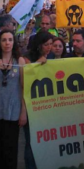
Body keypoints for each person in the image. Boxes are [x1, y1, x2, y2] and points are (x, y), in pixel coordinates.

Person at [24, 31, 55, 169]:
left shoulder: (53, 56)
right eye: (46, 44)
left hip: (47, 106)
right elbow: (24, 81)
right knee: (31, 142)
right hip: (31, 106)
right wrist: (37, 64)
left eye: (51, 44)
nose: (49, 47)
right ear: (38, 45)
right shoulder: (26, 58)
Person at [0, 30, 26, 169]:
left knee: (11, 148)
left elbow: (23, 87)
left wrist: (23, 111)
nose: (7, 43)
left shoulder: (19, 61)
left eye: (10, 40)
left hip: (13, 110)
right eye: (4, 40)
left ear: (14, 42)